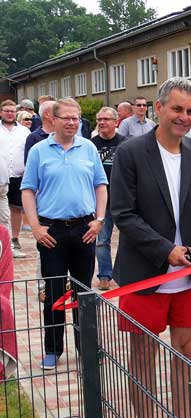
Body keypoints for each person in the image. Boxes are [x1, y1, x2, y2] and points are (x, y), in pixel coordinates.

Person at [111, 78, 191, 418]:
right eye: (177, 109)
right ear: (158, 108)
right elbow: (124, 214)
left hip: (188, 275)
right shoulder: (130, 153)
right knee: (143, 355)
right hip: (145, 274)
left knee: (187, 352)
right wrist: (164, 250)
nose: (185, 117)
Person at [21, 98, 108, 370]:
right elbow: (27, 190)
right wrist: (35, 227)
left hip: (85, 230)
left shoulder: (89, 148)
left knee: (84, 293)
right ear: (53, 120)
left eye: (76, 118)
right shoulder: (39, 151)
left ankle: (87, 348)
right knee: (55, 292)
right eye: (66, 118)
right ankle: (53, 349)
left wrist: (99, 220)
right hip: (52, 232)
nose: (72, 122)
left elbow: (101, 186)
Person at [90, 107, 127, 291]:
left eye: (106, 119)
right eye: (99, 119)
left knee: (127, 238)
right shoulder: (90, 145)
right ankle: (104, 275)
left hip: (122, 200)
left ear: (116, 122)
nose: (102, 122)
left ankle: (124, 273)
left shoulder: (125, 143)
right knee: (102, 240)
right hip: (100, 202)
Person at [1, 100, 29, 258]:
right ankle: (3, 240)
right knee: (3, 211)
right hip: (1, 175)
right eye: (6, 111)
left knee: (16, 208)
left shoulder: (24, 131)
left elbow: (29, 152)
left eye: (12, 111)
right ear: (1, 112)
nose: (9, 113)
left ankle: (15, 238)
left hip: (19, 174)